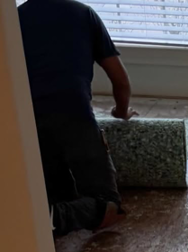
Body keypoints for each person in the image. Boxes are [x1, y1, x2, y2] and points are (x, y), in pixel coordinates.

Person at [18, 0, 136, 237]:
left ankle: (46, 214)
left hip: (26, 122)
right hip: (74, 115)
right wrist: (121, 112)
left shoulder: (14, 19)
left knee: (61, 194)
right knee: (109, 206)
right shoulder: (83, 14)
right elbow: (120, 81)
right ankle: (46, 221)